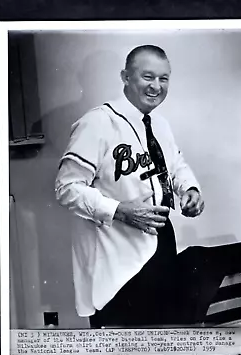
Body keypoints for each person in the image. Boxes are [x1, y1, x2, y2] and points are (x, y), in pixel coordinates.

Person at [55, 45, 205, 328]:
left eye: (164, 78)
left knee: (164, 337)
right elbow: (67, 188)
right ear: (125, 76)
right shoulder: (97, 122)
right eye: (147, 77)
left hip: (160, 242)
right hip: (117, 253)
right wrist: (120, 211)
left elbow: (176, 165)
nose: (156, 86)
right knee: (124, 346)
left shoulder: (159, 124)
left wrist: (190, 190)